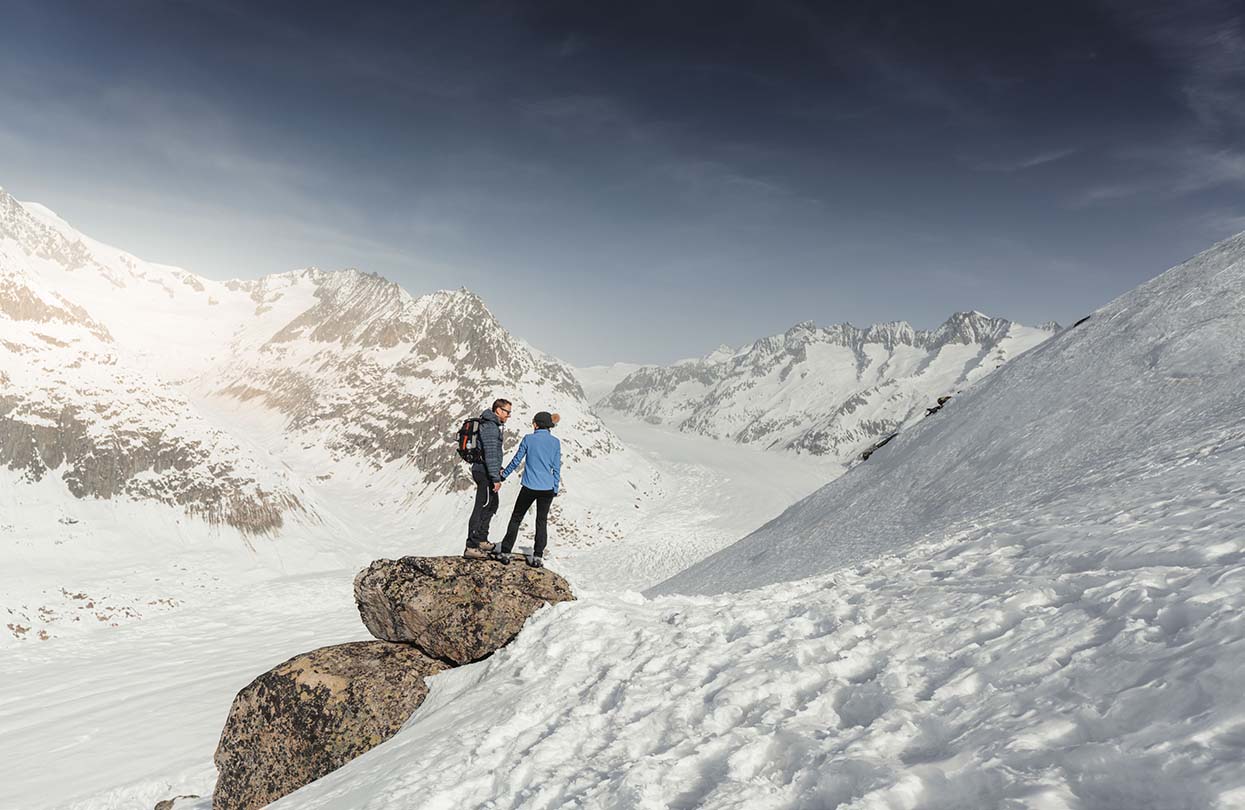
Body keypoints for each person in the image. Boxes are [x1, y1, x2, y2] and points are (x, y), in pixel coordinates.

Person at [493, 411, 561, 568]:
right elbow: (557, 468)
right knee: (541, 521)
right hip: (547, 488)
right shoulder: (555, 442)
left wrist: (503, 476)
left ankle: (505, 552)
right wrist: (555, 488)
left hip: (530, 486)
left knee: (516, 517)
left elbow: (517, 460)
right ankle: (537, 556)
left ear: (536, 424)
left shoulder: (529, 439)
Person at [464, 398, 511, 559]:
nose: (508, 415)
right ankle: (471, 545)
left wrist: (497, 469)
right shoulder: (490, 427)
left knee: (492, 504)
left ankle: (482, 539)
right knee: (482, 504)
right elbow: (490, 454)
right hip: (484, 472)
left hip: (486, 470)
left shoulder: (492, 425)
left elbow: (491, 454)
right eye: (507, 412)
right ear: (498, 410)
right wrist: (495, 478)